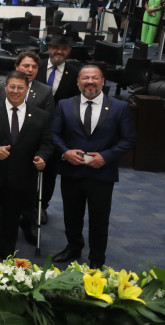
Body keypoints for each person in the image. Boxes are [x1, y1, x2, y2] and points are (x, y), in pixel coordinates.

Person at [52, 65, 136, 268]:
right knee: (71, 215)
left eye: (95, 78)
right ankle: (73, 248)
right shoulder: (64, 105)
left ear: (103, 81)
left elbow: (128, 139)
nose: (90, 82)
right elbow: (53, 134)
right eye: (85, 78)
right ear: (78, 82)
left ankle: (97, 259)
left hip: (101, 173)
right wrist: (65, 152)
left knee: (99, 219)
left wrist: (106, 157)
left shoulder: (119, 107)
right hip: (72, 171)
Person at [0, 71, 52, 260]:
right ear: (5, 87)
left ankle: (6, 248)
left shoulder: (41, 116)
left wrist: (42, 157)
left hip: (21, 176)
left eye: (20, 87)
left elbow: (47, 143)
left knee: (12, 215)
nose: (15, 91)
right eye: (12, 87)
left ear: (27, 89)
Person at [33, 34, 79, 224]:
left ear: (69, 51)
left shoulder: (74, 73)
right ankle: (25, 204)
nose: (59, 51)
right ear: (49, 48)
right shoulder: (36, 67)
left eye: (63, 49)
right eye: (55, 48)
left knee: (49, 171)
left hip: (56, 131)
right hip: (31, 126)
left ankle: (42, 206)